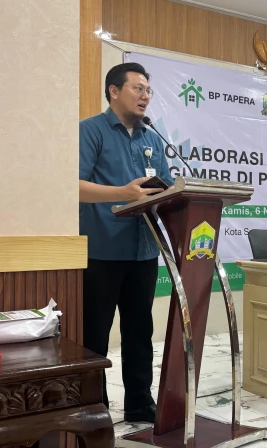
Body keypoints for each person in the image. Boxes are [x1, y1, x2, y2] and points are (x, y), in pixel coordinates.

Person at [79, 62, 174, 423]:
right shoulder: (90, 130)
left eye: (148, 90)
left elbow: (165, 186)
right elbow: (73, 185)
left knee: (140, 332)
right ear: (114, 91)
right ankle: (94, 406)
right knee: (94, 334)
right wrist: (123, 192)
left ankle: (139, 402)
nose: (145, 96)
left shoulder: (152, 137)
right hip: (101, 250)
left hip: (143, 249)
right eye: (138, 88)